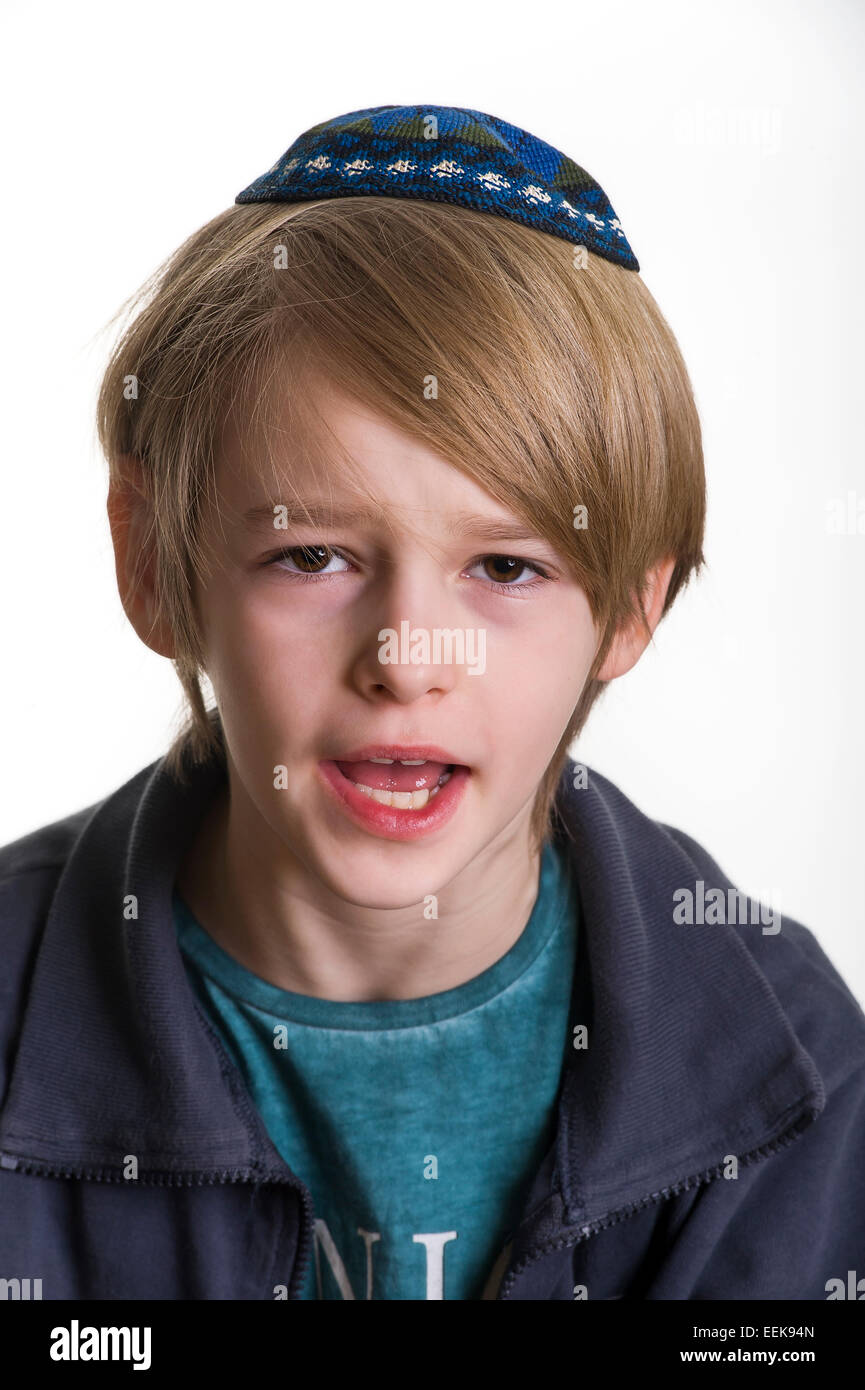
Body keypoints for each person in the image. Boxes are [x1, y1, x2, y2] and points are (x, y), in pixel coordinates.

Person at [1, 105, 863, 1301]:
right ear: (152, 564)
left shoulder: (785, 1064)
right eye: (312, 557)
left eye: (505, 568)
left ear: (629, 609)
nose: (408, 657)